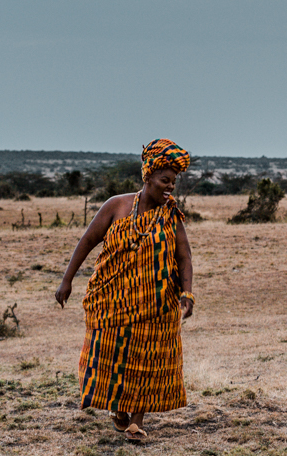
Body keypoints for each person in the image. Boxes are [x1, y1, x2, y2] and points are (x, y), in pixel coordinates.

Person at [55, 138, 195, 443]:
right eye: (164, 180)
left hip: (156, 304)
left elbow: (184, 257)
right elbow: (87, 241)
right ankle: (118, 408)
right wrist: (67, 280)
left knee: (148, 358)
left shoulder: (171, 215)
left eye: (174, 182)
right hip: (112, 299)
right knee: (113, 353)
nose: (170, 187)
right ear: (148, 176)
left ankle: (137, 420)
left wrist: (187, 294)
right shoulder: (116, 206)